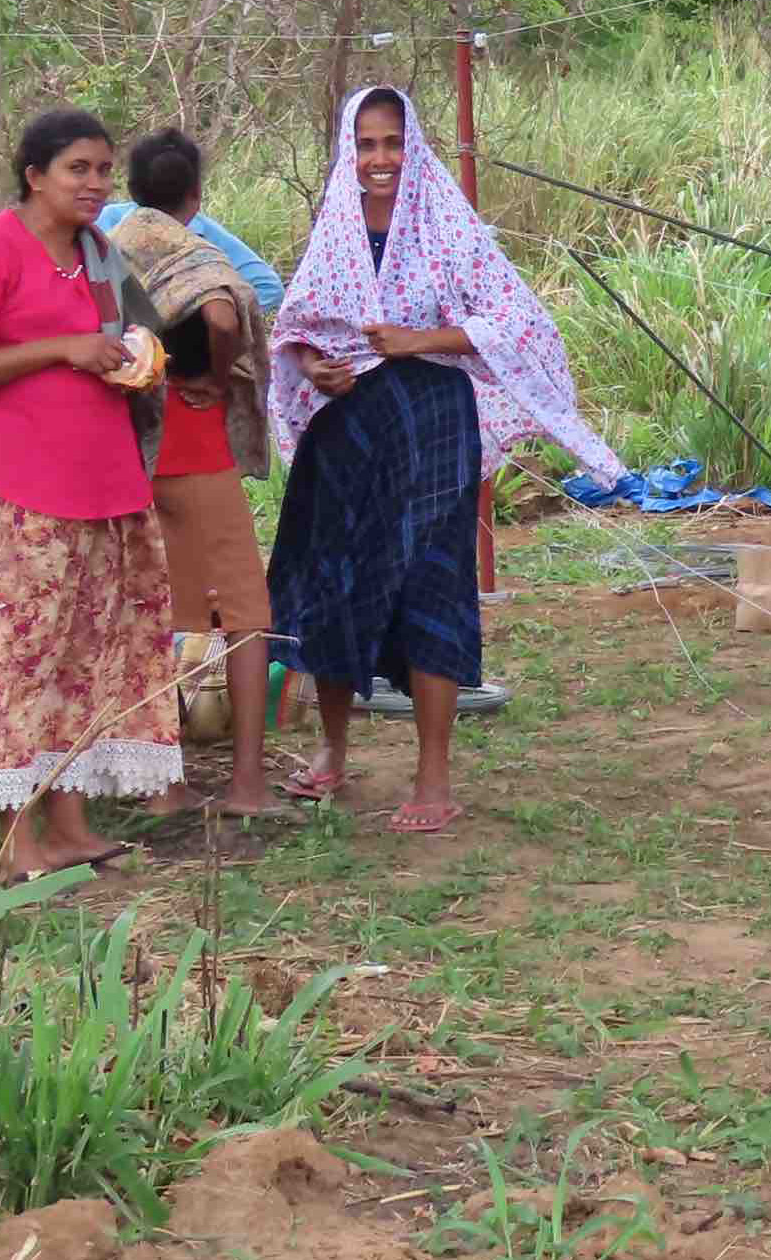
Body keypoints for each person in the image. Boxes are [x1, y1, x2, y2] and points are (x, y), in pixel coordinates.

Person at [264, 86, 625, 833]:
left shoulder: (445, 226)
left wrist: (415, 340)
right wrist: (314, 365)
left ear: (413, 144)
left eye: (392, 142)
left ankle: (433, 778)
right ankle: (332, 753)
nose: (380, 159)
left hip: (429, 424)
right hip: (348, 428)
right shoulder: (334, 225)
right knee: (334, 576)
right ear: (347, 150)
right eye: (365, 145)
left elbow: (519, 323)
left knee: (431, 584)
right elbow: (297, 324)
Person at [0, 108, 179, 881]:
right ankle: (13, 836)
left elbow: (131, 334)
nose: (96, 184)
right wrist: (62, 350)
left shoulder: (100, 254)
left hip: (99, 478)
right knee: (11, 656)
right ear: (35, 175)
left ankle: (70, 821)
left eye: (104, 170)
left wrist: (137, 359)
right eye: (78, 170)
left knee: (83, 652)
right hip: (14, 485)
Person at [108, 126, 284, 817]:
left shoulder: (111, 251)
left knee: (153, 616)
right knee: (244, 618)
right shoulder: (194, 251)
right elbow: (219, 310)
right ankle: (246, 784)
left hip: (131, 453)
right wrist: (212, 372)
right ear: (197, 196)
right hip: (197, 452)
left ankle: (164, 784)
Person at [96, 176, 284, 312]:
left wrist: (201, 324)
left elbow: (268, 287)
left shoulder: (200, 231)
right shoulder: (109, 220)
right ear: (195, 194)